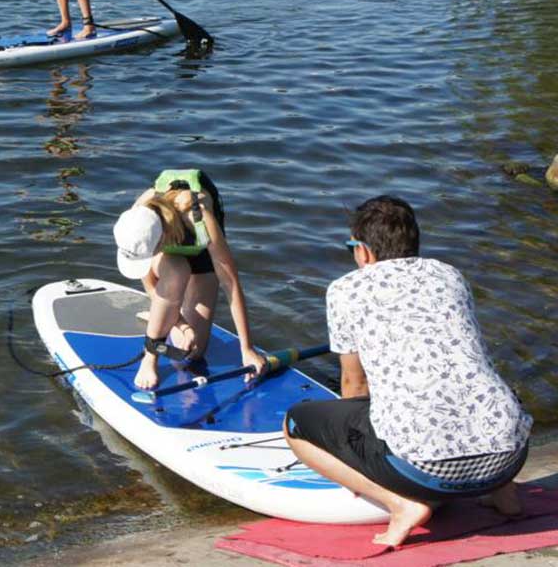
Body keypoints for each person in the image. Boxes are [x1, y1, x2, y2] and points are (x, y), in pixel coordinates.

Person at [284, 196, 532, 547]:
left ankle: (401, 506)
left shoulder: (343, 290)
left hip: (426, 475)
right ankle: (505, 496)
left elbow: (355, 384)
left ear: (364, 251)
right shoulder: (450, 275)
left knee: (295, 424)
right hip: (510, 457)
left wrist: (350, 456)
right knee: (474, 381)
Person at [114, 170, 266, 391]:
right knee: (176, 272)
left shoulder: (200, 217)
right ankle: (150, 355)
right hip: (172, 261)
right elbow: (148, 281)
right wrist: (182, 324)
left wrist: (247, 348)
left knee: (193, 352)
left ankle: (163, 316)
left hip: (200, 249)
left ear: (160, 239)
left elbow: (231, 285)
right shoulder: (137, 218)